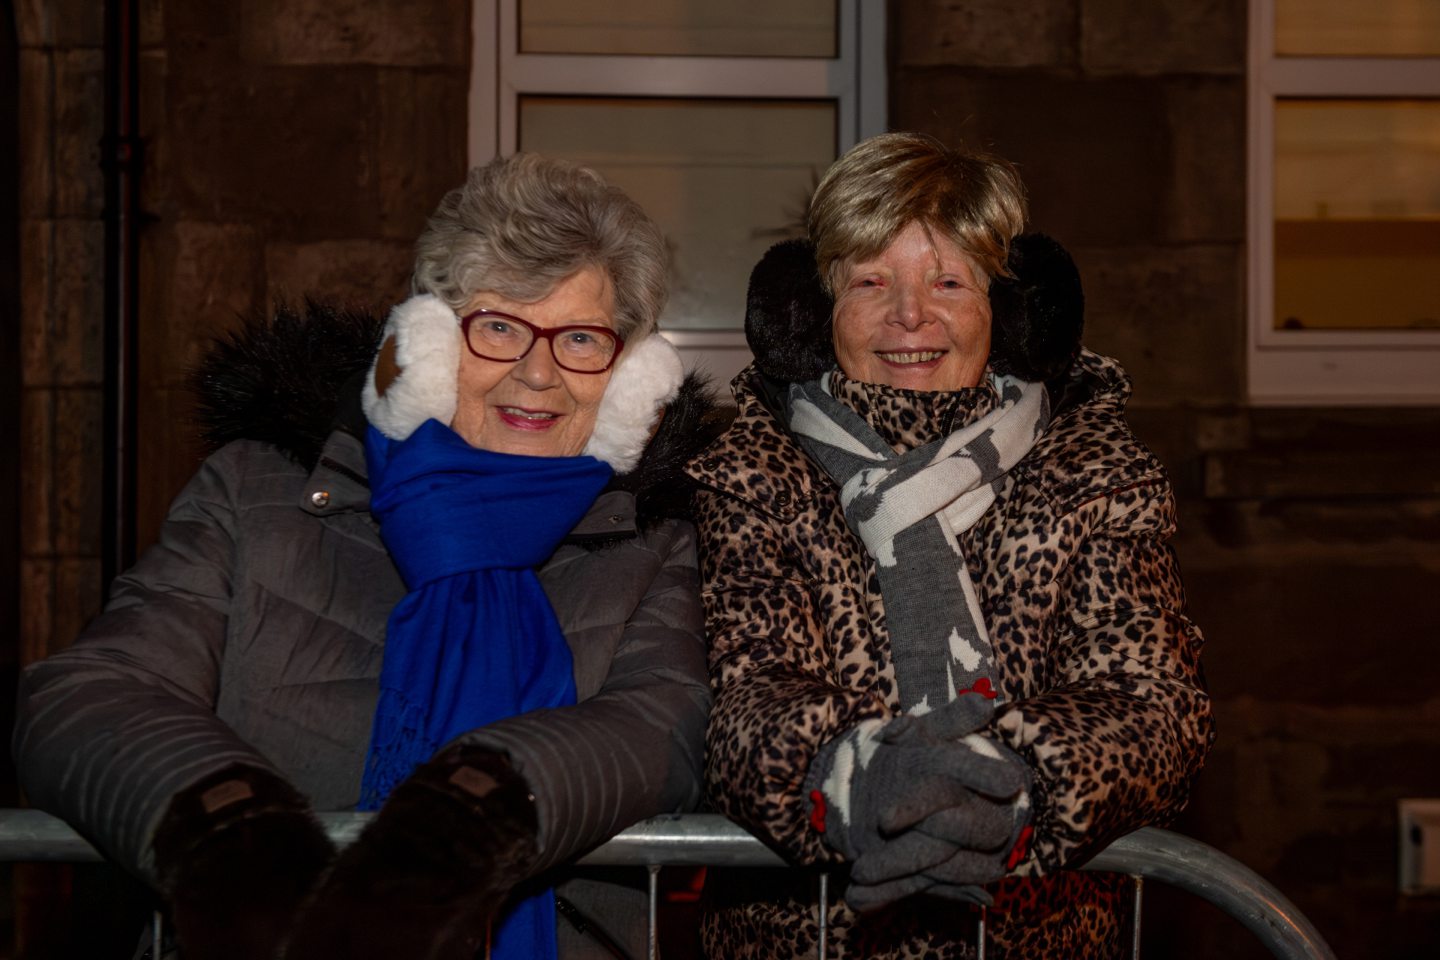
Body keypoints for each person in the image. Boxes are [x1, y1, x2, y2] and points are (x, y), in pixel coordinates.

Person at [13, 153, 717, 960]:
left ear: (631, 377)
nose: (537, 373)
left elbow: (662, 726)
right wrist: (232, 828)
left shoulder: (656, 540)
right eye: (498, 326)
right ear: (426, 345)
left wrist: (471, 814)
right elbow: (88, 694)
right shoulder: (257, 492)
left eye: (582, 338)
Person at [686, 132, 1215, 958]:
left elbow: (1149, 701)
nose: (910, 316)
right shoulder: (754, 474)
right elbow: (745, 692)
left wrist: (1009, 790)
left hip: (1036, 939)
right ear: (814, 311)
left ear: (1004, 311)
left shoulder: (1096, 472)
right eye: (871, 282)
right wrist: (859, 778)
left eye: (948, 281)